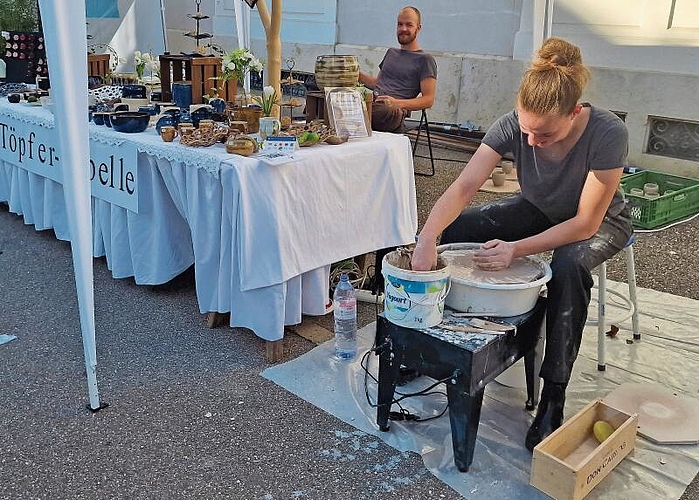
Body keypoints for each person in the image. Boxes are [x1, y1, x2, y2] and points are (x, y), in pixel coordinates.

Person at [411, 37, 633, 451]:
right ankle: (445, 349)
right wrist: (427, 238)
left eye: (544, 134)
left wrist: (516, 249)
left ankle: (553, 395)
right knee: (460, 228)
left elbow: (586, 222)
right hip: (541, 208)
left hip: (600, 222)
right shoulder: (513, 123)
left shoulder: (607, 132)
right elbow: (463, 186)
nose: (531, 142)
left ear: (575, 113)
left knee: (569, 267)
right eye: (526, 131)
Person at [359, 6, 437, 133]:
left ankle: (356, 114)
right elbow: (377, 83)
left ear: (418, 28)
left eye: (409, 25)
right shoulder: (391, 53)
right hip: (373, 103)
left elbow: (428, 99)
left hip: (391, 112)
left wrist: (396, 103)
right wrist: (354, 73)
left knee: (383, 110)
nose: (403, 29)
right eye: (400, 24)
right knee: (330, 97)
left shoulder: (425, 60)